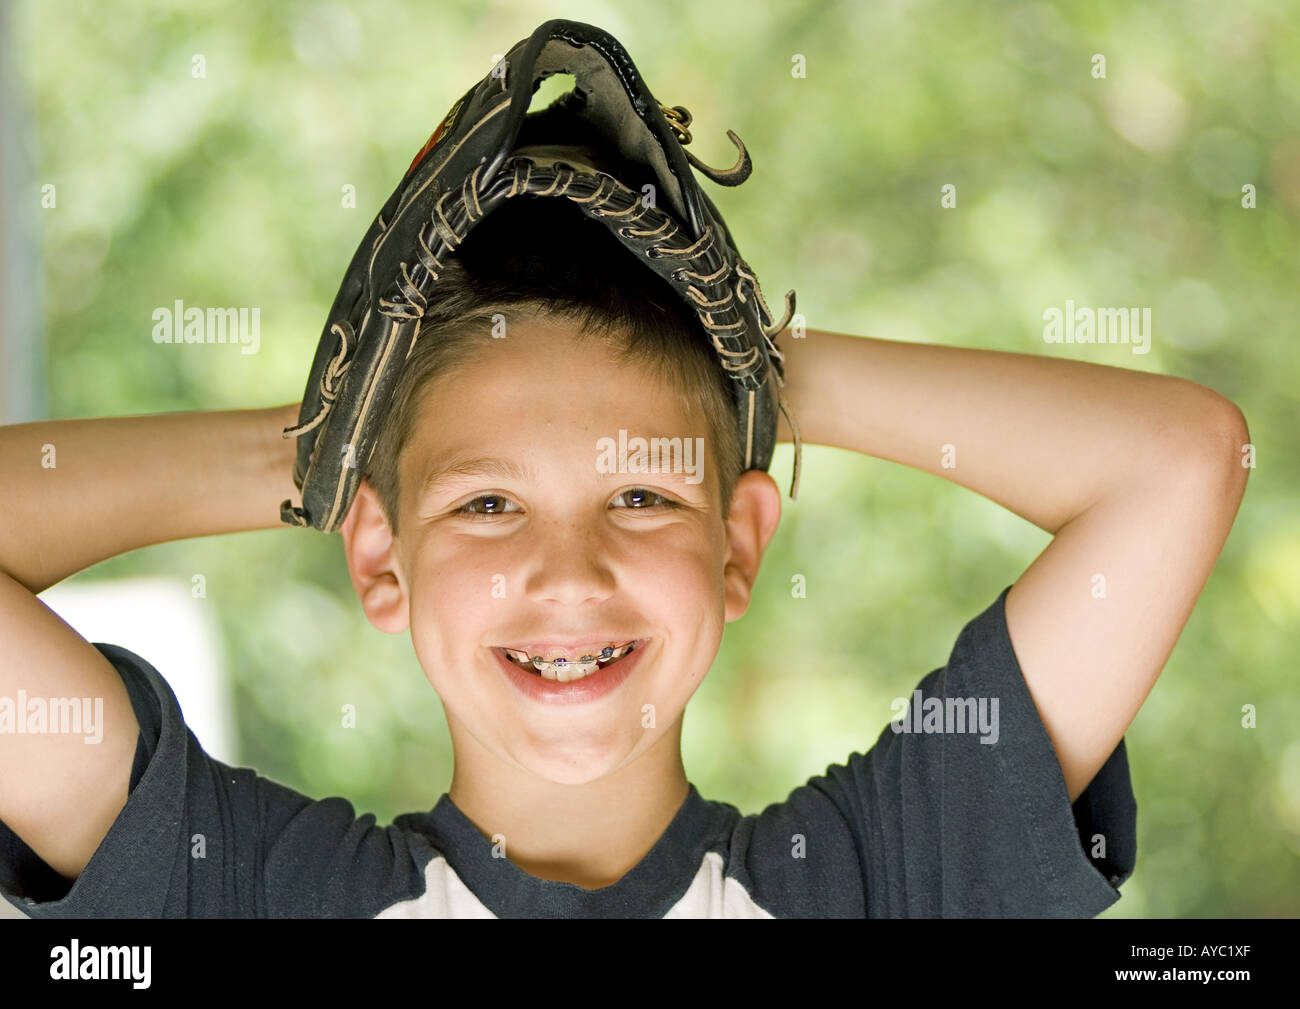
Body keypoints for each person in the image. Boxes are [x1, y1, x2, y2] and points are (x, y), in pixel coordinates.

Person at [0, 194, 1249, 917]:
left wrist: (741, 363)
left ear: (739, 547)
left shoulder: (881, 882)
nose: (568, 572)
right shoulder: (255, 895)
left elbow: (1178, 462)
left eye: (643, 491)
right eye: (487, 505)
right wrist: (343, 435)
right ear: (379, 558)